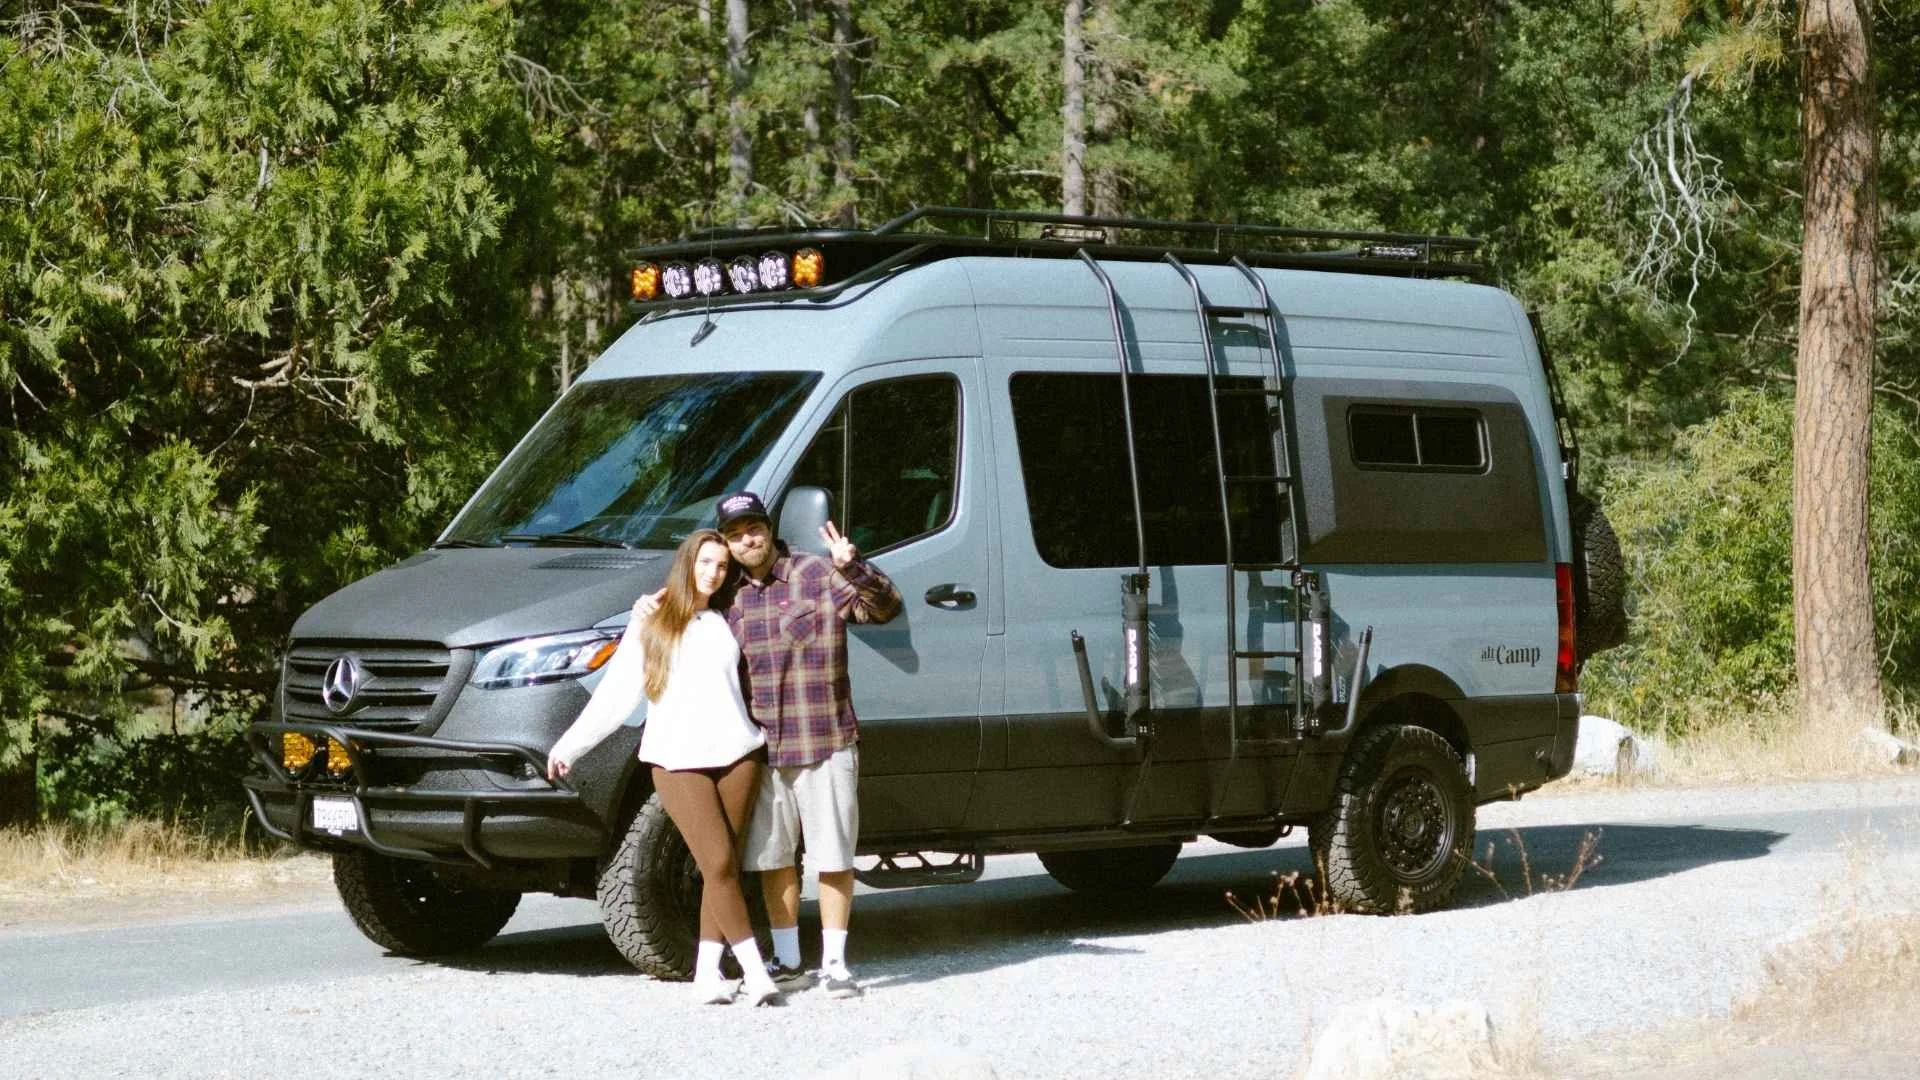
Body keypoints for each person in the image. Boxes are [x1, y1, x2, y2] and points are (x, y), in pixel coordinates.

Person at [639, 491, 901, 999]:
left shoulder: (816, 573)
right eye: (736, 535)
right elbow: (682, 607)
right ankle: (786, 961)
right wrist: (646, 605)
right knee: (773, 858)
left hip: (824, 737)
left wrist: (855, 567)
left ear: (768, 528)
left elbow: (883, 609)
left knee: (833, 856)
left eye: (753, 529)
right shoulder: (728, 595)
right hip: (760, 747)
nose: (747, 540)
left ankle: (834, 965)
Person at [546, 529, 783, 1007]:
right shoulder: (651, 621)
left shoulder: (724, 619)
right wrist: (570, 746)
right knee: (715, 863)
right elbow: (616, 696)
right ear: (686, 564)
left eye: (721, 565)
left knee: (724, 869)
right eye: (705, 563)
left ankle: (705, 975)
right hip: (677, 760)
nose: (713, 572)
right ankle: (756, 974)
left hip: (739, 753)